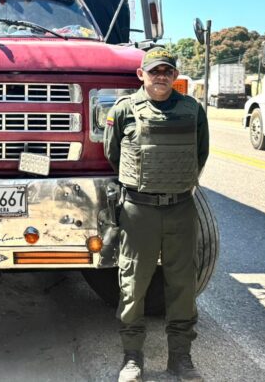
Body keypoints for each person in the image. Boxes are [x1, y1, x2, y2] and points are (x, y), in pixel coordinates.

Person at [104, 47, 209, 382]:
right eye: (154, 71)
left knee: (183, 287)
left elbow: (200, 153)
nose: (160, 76)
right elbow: (113, 154)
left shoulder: (192, 109)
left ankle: (181, 358)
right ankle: (132, 359)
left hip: (181, 209)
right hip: (139, 212)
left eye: (167, 71)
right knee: (133, 286)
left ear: (174, 75)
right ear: (141, 75)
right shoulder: (124, 110)